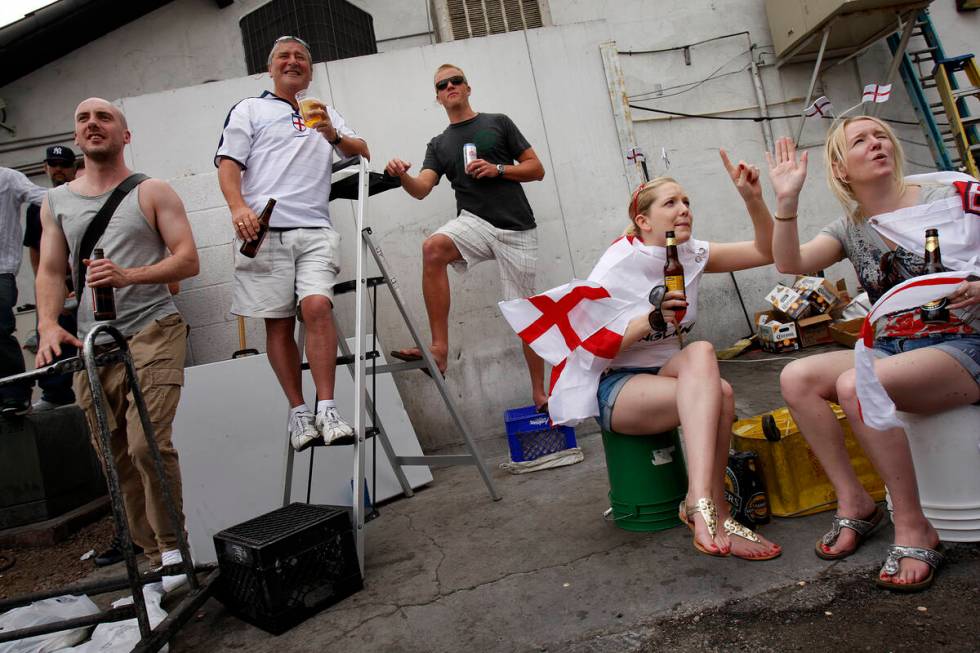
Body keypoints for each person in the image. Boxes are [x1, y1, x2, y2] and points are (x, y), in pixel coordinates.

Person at [504, 154, 782, 561]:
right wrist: (649, 319)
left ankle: (702, 503)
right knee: (717, 394)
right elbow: (589, 344)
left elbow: (767, 250)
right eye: (670, 203)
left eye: (687, 201)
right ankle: (712, 509)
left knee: (703, 351)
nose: (684, 208)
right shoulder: (618, 265)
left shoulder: (690, 254)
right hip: (617, 385)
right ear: (643, 221)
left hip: (667, 375)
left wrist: (753, 199)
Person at [767, 120, 980, 592]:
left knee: (858, 384)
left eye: (880, 135)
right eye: (859, 141)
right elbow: (790, 263)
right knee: (797, 378)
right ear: (841, 169)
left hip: (967, 345)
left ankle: (913, 525)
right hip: (894, 348)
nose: (876, 143)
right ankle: (855, 501)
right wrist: (786, 201)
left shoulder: (945, 196)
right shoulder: (850, 226)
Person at [35, 97, 200, 591]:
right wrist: (46, 324)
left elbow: (188, 260)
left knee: (147, 445)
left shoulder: (152, 191)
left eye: (104, 117)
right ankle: (152, 559)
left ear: (124, 135)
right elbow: (48, 270)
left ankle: (173, 549)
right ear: (77, 135)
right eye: (82, 117)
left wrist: (132, 275)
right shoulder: (55, 203)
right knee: (114, 454)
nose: (92, 124)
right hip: (95, 343)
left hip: (153, 328)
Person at [216, 35, 370, 451]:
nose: (292, 61)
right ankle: (299, 414)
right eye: (284, 56)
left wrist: (332, 134)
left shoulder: (325, 112)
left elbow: (362, 152)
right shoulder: (249, 109)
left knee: (317, 306)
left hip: (315, 228)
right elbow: (229, 164)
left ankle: (327, 407)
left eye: (301, 56)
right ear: (270, 69)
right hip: (263, 232)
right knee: (278, 323)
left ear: (311, 69)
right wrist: (237, 209)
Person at [384, 64, 548, 411]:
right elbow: (422, 189)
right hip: (474, 221)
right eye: (443, 85)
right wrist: (402, 175)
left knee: (524, 314)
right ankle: (439, 351)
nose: (450, 86)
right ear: (438, 97)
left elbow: (537, 169)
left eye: (456, 80)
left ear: (468, 88)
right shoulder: (439, 144)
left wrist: (498, 169)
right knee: (433, 248)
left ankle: (540, 394)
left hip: (516, 228)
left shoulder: (498, 122)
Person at [22, 145, 79, 411]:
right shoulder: (38, 206)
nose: (58, 169)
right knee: (52, 330)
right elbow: (36, 250)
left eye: (64, 165)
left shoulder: (83, 197)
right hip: (58, 281)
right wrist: (44, 288)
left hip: (89, 280)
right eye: (53, 164)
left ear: (73, 168)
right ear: (46, 168)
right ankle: (55, 393)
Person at [0, 167, 46, 416]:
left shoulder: (7, 177)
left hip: (1, 271)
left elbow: (41, 196)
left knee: (0, 329)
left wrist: (84, 193)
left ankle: (15, 393)